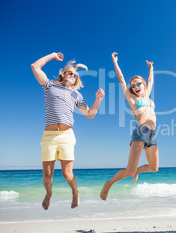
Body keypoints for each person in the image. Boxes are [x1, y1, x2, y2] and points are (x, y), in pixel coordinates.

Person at [31, 52, 105, 210]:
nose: (73, 75)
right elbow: (35, 66)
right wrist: (52, 55)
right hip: (49, 136)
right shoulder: (49, 85)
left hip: (66, 135)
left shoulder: (76, 94)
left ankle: (75, 192)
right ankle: (49, 193)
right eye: (70, 72)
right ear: (63, 74)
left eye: (75, 75)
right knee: (47, 176)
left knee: (67, 174)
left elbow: (90, 114)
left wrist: (97, 101)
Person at [100, 52, 158, 200]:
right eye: (133, 85)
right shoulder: (132, 98)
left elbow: (150, 81)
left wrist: (151, 68)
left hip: (153, 134)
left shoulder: (148, 96)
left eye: (139, 84)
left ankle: (139, 171)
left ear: (143, 86)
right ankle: (109, 183)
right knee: (129, 170)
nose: (136, 86)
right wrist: (115, 62)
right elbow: (121, 79)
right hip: (140, 132)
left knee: (154, 168)